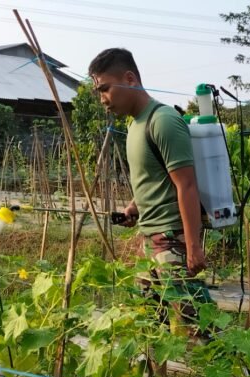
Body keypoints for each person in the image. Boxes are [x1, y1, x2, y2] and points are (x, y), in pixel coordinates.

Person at [88, 47, 209, 333]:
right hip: (148, 241)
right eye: (98, 92)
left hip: (172, 242)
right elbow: (154, 178)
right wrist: (134, 206)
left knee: (200, 329)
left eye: (105, 89)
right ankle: (157, 365)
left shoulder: (162, 120)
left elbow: (186, 184)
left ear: (129, 79)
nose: (103, 99)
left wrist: (192, 246)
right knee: (149, 327)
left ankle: (229, 365)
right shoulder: (134, 125)